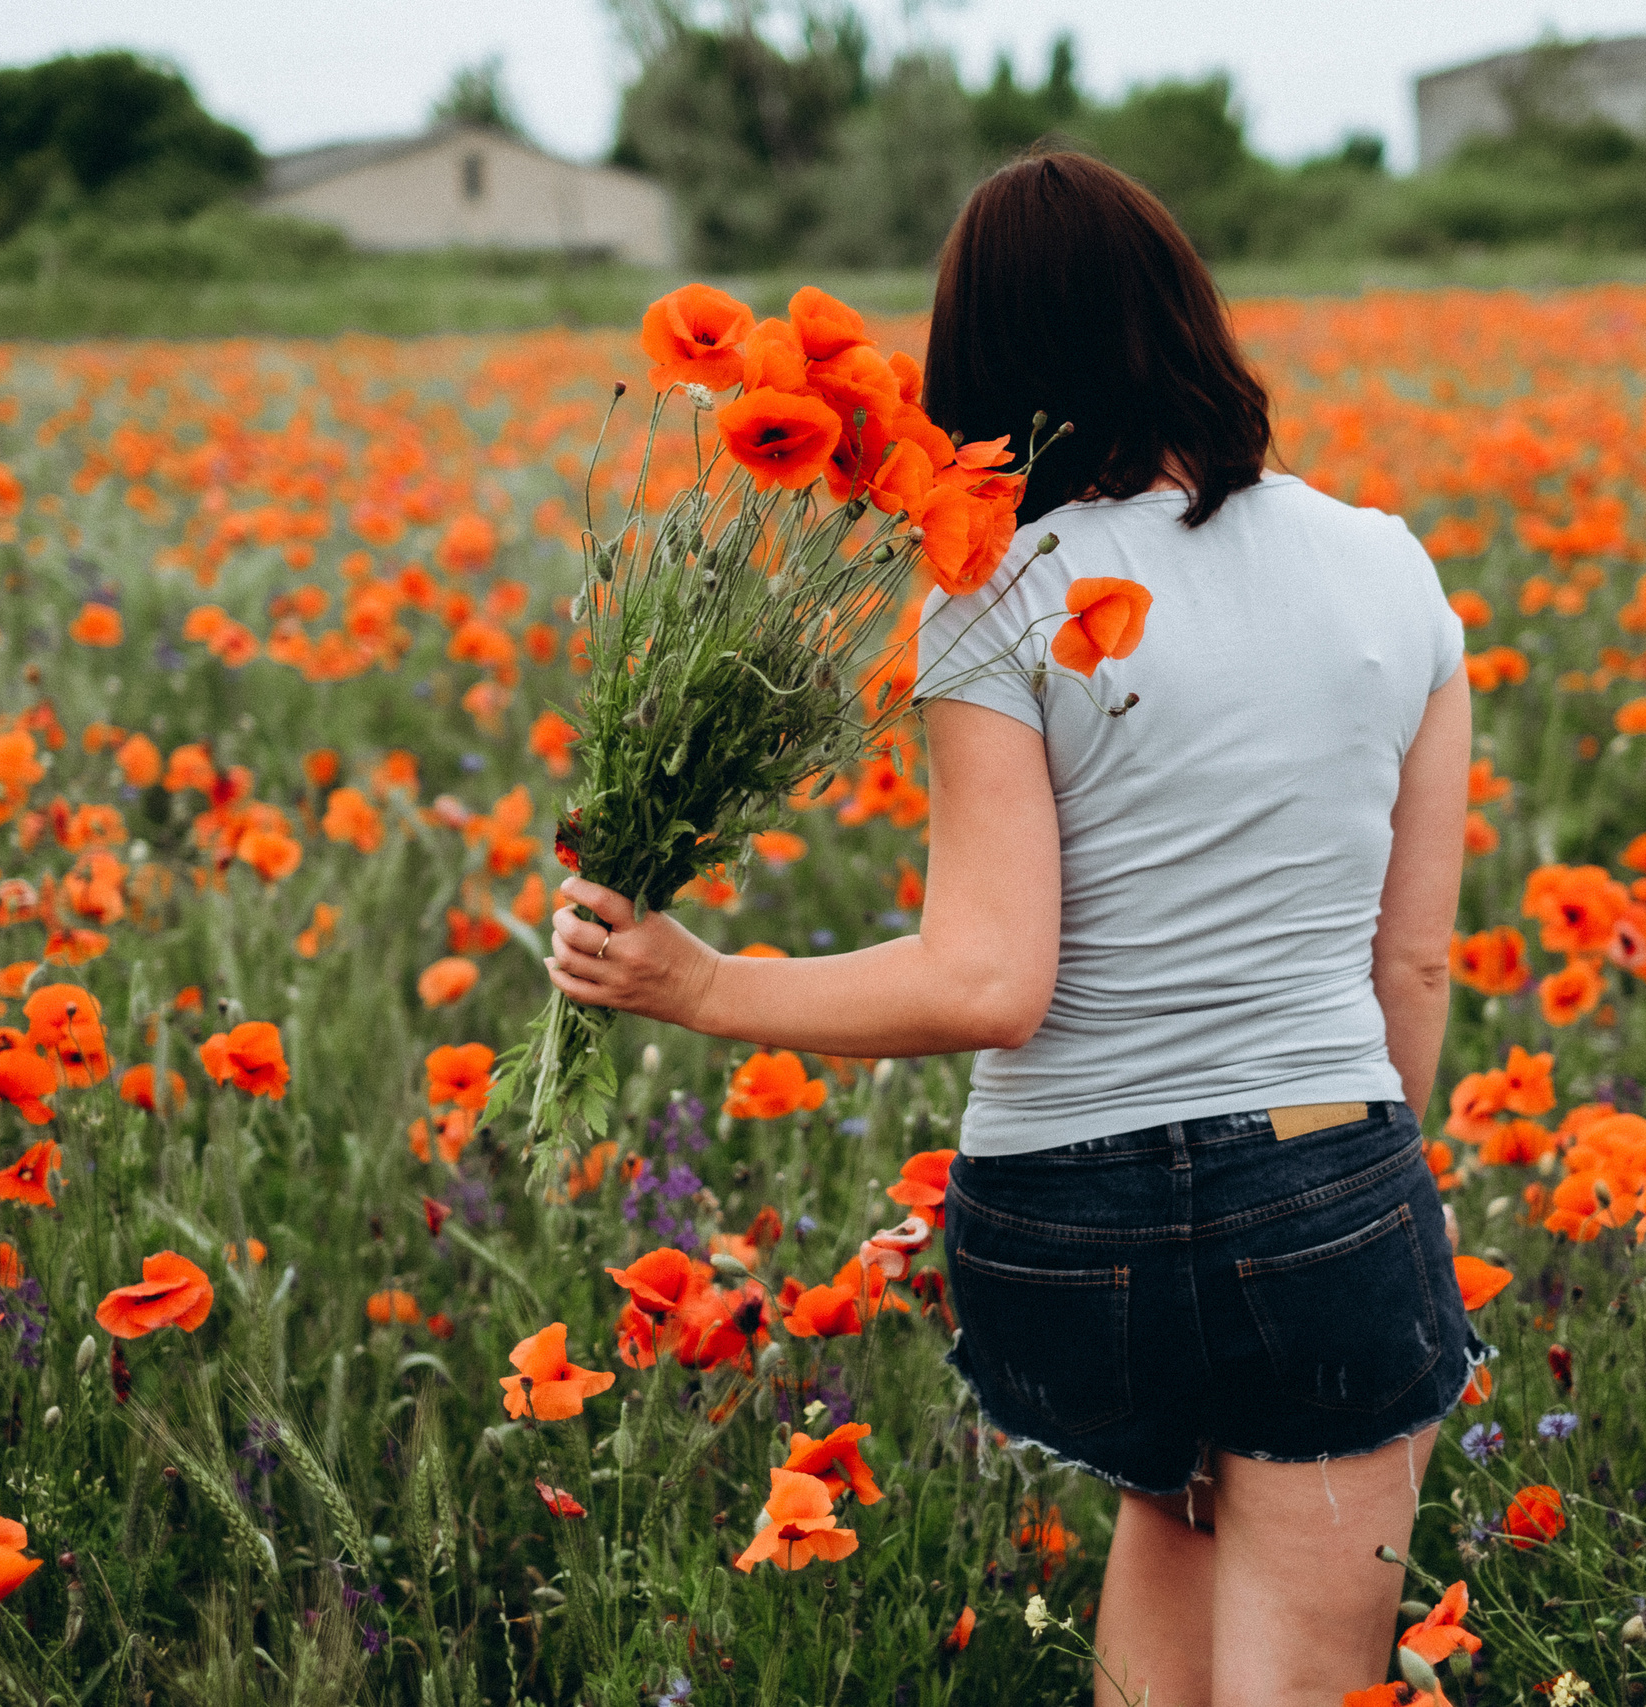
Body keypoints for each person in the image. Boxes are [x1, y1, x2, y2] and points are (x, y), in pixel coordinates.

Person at [544, 150, 1479, 1707]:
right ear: (1192, 320)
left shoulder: (995, 590)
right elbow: (1416, 964)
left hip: (1070, 1225)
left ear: (981, 367)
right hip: (1325, 1150)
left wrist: (702, 986)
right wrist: (1339, 1191)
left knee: (1166, 1559)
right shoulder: (1391, 567)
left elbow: (991, 980)